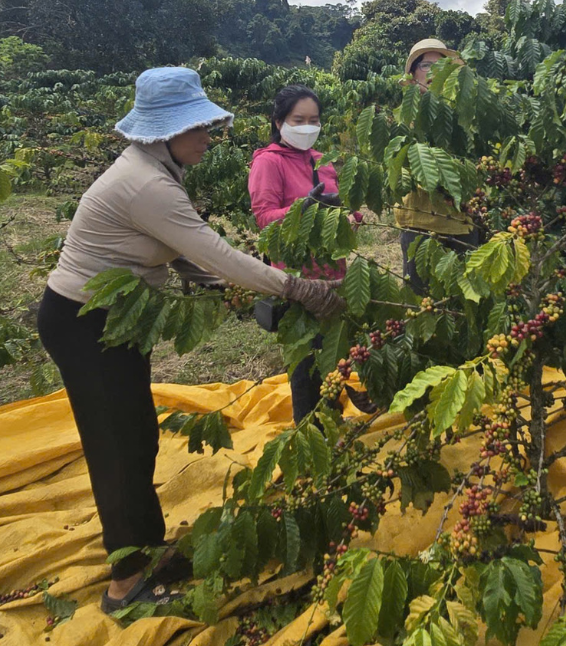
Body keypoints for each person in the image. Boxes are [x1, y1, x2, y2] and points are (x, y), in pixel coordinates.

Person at [38, 67, 344, 615]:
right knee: (117, 446)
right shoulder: (148, 184)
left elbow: (183, 256)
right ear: (164, 132)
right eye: (198, 127)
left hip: (118, 317)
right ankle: (126, 582)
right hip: (86, 320)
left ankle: (146, 547)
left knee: (135, 434)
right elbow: (214, 254)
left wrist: (232, 290)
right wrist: (298, 289)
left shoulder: (155, 169)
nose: (208, 137)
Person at [248, 84, 361, 425]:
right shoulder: (268, 162)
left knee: (332, 357)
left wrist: (351, 217)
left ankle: (332, 423)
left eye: (314, 120)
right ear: (279, 121)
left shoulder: (322, 161)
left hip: (333, 275)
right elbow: (265, 218)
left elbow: (345, 206)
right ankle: (308, 431)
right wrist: (305, 208)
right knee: (304, 363)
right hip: (297, 281)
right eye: (299, 119)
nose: (307, 127)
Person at [396, 38, 480, 292]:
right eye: (426, 65)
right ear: (412, 74)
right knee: (422, 300)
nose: (433, 71)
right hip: (422, 224)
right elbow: (405, 169)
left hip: (462, 222)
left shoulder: (466, 113)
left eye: (441, 65)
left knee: (467, 296)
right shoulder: (404, 117)